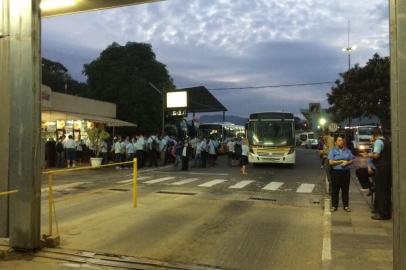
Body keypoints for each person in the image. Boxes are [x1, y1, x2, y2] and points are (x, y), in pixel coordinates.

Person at [362, 128, 391, 220]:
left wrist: (367, 155)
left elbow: (376, 155)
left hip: (381, 168)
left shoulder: (378, 142)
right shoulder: (387, 141)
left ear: (374, 135)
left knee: (381, 191)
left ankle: (382, 214)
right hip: (387, 168)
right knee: (385, 191)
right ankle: (383, 211)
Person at [328, 136, 354, 212]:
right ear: (336, 142)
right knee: (335, 190)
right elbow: (331, 162)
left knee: (345, 190)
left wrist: (347, 162)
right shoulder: (333, 151)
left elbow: (352, 160)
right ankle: (334, 206)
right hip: (336, 172)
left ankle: (346, 206)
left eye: (342, 140)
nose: (341, 142)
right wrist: (341, 161)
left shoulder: (348, 151)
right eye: (339, 140)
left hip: (345, 172)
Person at [320, 131, 335, 195]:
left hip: (330, 160)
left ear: (326, 135)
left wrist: (323, 152)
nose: (322, 138)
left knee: (330, 175)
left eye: (323, 136)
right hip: (327, 159)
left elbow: (331, 152)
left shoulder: (330, 139)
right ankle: (331, 190)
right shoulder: (326, 141)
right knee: (329, 175)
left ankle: (331, 190)